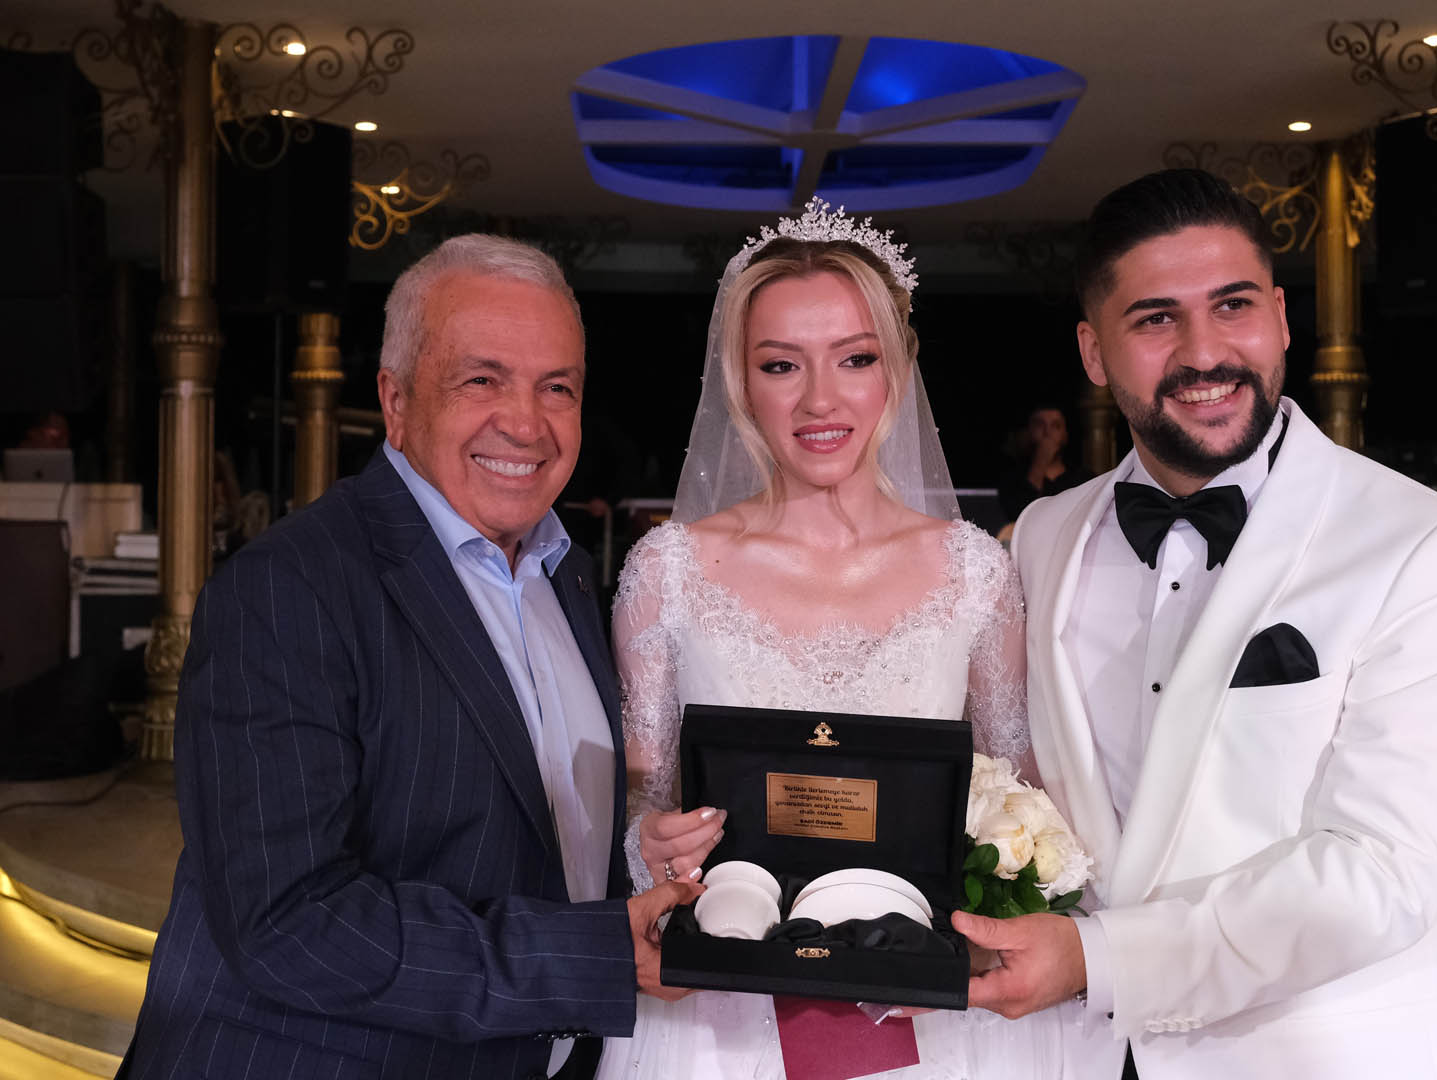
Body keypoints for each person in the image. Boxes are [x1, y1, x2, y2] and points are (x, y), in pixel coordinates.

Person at [953, 169, 1437, 1079]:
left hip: (1322, 1055)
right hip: (1076, 1051)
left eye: (1233, 305)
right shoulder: (1045, 536)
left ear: (1281, 318)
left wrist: (1100, 959)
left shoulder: (1431, 550)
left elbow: (1380, 873)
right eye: (1155, 318)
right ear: (1094, 352)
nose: (1204, 351)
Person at [117, 235, 698, 1080]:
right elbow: (287, 923)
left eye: (557, 387)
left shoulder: (567, 575)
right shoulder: (288, 587)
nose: (526, 422)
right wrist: (593, 956)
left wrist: (649, 855)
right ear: (395, 400)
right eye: (481, 379)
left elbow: (540, 842)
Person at [597, 200, 1075, 1079]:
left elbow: (1018, 790)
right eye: (781, 364)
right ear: (740, 380)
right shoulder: (669, 570)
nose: (820, 399)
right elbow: (642, 801)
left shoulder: (974, 571)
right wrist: (651, 842)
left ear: (898, 367)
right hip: (723, 1007)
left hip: (922, 1007)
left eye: (855, 358)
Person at [997, 403, 1088, 521]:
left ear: (1065, 435)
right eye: (1039, 425)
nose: (1047, 432)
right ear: (1029, 431)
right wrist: (1040, 462)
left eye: (1055, 426)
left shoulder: (1083, 478)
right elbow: (1018, 518)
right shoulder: (1012, 479)